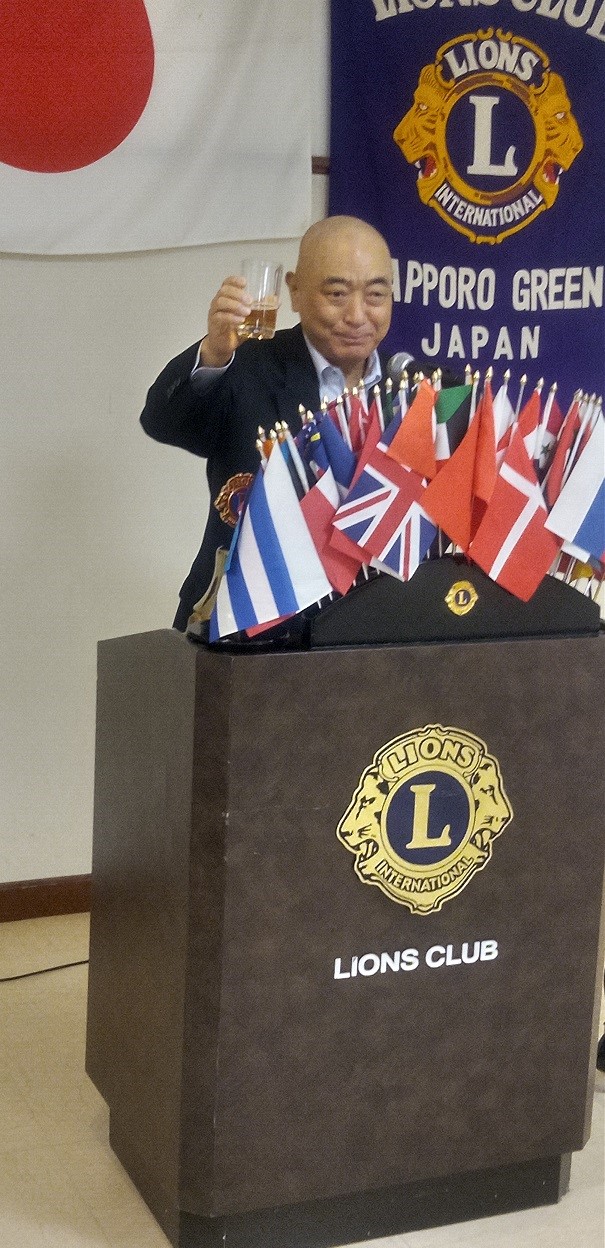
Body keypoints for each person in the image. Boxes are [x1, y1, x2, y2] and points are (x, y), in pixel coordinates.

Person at [140, 215, 394, 630]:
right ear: (294, 290)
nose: (357, 315)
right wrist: (213, 354)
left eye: (376, 295)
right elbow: (162, 420)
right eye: (337, 294)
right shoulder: (248, 365)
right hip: (245, 620)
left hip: (372, 626)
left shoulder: (413, 390)